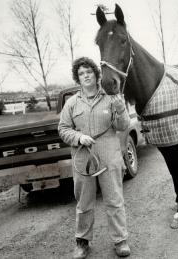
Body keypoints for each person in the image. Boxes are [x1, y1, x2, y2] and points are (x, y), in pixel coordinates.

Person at [58, 57, 131, 258]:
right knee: (84, 202)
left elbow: (123, 126)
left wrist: (120, 108)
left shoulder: (110, 98)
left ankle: (120, 240)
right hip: (83, 159)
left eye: (89, 71)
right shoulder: (72, 103)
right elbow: (63, 129)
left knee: (114, 199)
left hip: (109, 156)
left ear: (96, 74)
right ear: (77, 78)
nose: (86, 76)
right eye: (81, 73)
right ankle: (82, 242)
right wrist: (79, 137)